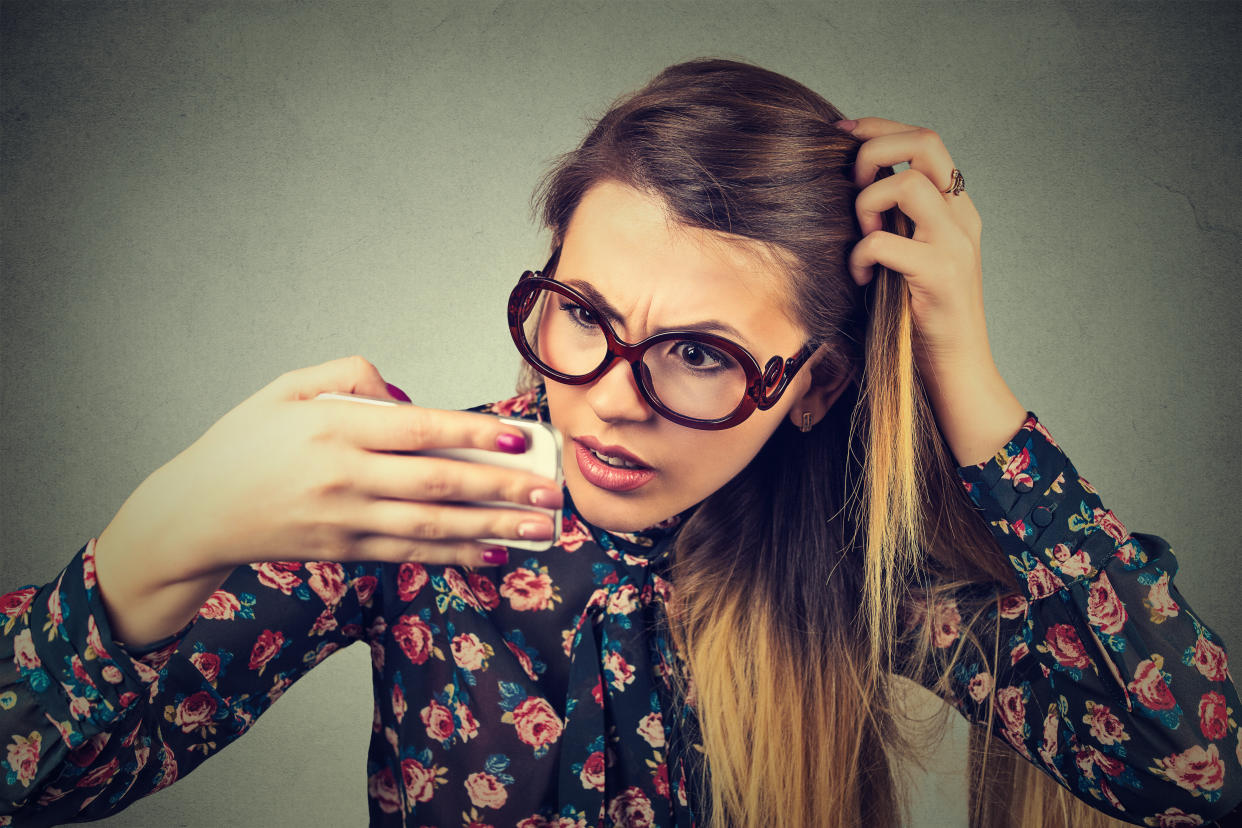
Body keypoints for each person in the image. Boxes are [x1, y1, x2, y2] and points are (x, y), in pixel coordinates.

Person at [1, 57, 1239, 828]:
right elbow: (32, 776)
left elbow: (1197, 767)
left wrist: (967, 379)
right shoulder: (422, 502)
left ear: (813, 389)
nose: (611, 399)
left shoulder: (858, 567)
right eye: (585, 316)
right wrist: (159, 540)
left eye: (700, 353)